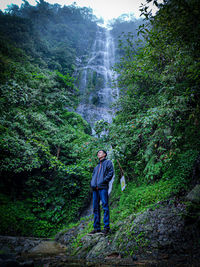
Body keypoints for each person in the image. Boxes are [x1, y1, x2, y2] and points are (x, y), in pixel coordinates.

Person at [89, 150, 114, 235]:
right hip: (95, 189)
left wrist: (103, 182)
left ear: (104, 154)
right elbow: (93, 177)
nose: (98, 154)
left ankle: (106, 227)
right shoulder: (96, 167)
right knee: (95, 208)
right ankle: (96, 228)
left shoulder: (108, 163)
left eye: (100, 152)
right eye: (97, 153)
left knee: (105, 207)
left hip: (102, 187)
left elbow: (111, 173)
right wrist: (92, 184)